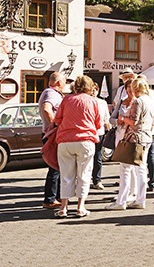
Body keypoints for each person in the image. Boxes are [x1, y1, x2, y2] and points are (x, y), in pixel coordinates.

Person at [53, 75, 103, 218]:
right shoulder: (93, 101)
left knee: (66, 175)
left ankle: (63, 208)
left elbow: (57, 119)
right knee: (84, 174)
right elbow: (97, 123)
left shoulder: (67, 99)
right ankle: (80, 207)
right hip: (86, 141)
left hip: (65, 140)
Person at [107, 79, 154, 210]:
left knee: (125, 169)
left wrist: (123, 118)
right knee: (141, 169)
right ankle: (140, 199)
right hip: (146, 136)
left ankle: (121, 201)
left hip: (135, 137)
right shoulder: (150, 100)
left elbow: (134, 121)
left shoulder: (138, 101)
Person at [39, 72, 65, 209]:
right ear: (59, 83)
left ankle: (58, 196)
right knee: (55, 167)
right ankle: (50, 198)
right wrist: (54, 126)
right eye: (64, 83)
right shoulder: (51, 93)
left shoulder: (49, 92)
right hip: (52, 134)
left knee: (58, 166)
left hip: (49, 133)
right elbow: (46, 108)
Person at [91, 82, 112, 190]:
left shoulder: (102, 103)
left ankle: (97, 180)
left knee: (98, 157)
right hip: (88, 133)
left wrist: (108, 127)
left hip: (99, 132)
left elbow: (106, 118)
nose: (93, 92)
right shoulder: (87, 101)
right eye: (92, 89)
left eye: (95, 90)